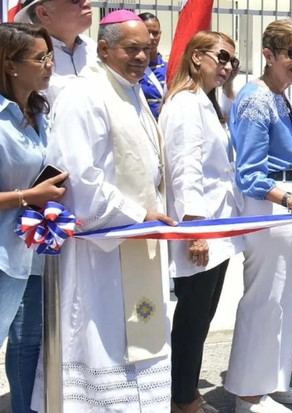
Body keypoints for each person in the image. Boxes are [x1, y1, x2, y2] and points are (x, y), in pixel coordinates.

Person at [30, 10, 176, 412]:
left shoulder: (132, 92)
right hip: (100, 249)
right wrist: (137, 214)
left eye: (147, 49)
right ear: (105, 47)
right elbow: (77, 178)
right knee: (101, 339)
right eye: (132, 49)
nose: (142, 57)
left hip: (137, 241)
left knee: (141, 335)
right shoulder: (84, 94)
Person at [225, 19, 292, 413]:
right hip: (270, 202)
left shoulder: (278, 95)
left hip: (286, 200)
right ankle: (248, 394)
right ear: (268, 54)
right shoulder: (256, 98)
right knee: (265, 299)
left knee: (287, 296)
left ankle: (271, 381)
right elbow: (248, 173)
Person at [160, 30, 243, 413]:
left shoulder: (208, 103)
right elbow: (185, 169)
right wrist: (195, 229)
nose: (227, 66)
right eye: (221, 57)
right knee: (192, 321)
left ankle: (186, 392)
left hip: (217, 229)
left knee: (201, 317)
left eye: (233, 62)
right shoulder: (187, 104)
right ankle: (182, 399)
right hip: (200, 229)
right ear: (196, 58)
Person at [0, 22, 67, 413]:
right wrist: (30, 195)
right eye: (39, 58)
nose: (49, 65)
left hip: (36, 249)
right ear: (10, 65)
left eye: (50, 56)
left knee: (28, 342)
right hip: (4, 255)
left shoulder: (41, 110)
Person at [16, 0, 97, 105]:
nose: (87, 3)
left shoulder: (93, 47)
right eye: (75, 0)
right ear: (44, 13)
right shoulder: (26, 58)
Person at [139, 12, 167, 119]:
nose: (151, 37)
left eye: (155, 33)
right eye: (146, 32)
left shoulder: (170, 68)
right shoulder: (130, 69)